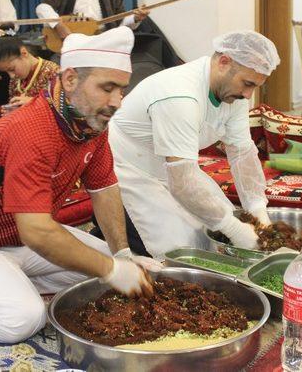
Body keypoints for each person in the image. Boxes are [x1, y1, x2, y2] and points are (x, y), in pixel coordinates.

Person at [0, 26, 162, 344]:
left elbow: (104, 189)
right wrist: (112, 269)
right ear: (70, 80)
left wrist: (121, 255)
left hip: (24, 242)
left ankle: (11, 281)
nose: (117, 102)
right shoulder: (32, 128)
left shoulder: (91, 122)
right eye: (107, 88)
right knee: (23, 319)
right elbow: (37, 231)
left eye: (121, 89)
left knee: (117, 273)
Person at [107, 31, 280, 259]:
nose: (248, 95)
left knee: (221, 222)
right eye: (247, 84)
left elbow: (242, 153)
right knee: (184, 249)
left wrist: (257, 208)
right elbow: (182, 184)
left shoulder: (233, 93)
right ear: (224, 62)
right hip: (130, 167)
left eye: (255, 87)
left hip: (176, 166)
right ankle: (109, 233)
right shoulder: (180, 95)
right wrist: (234, 229)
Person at [0, 37, 60, 107]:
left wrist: (34, 102)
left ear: (24, 53)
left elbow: (64, 107)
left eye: (12, 69)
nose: (11, 76)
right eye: (6, 72)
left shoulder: (53, 72)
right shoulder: (15, 80)